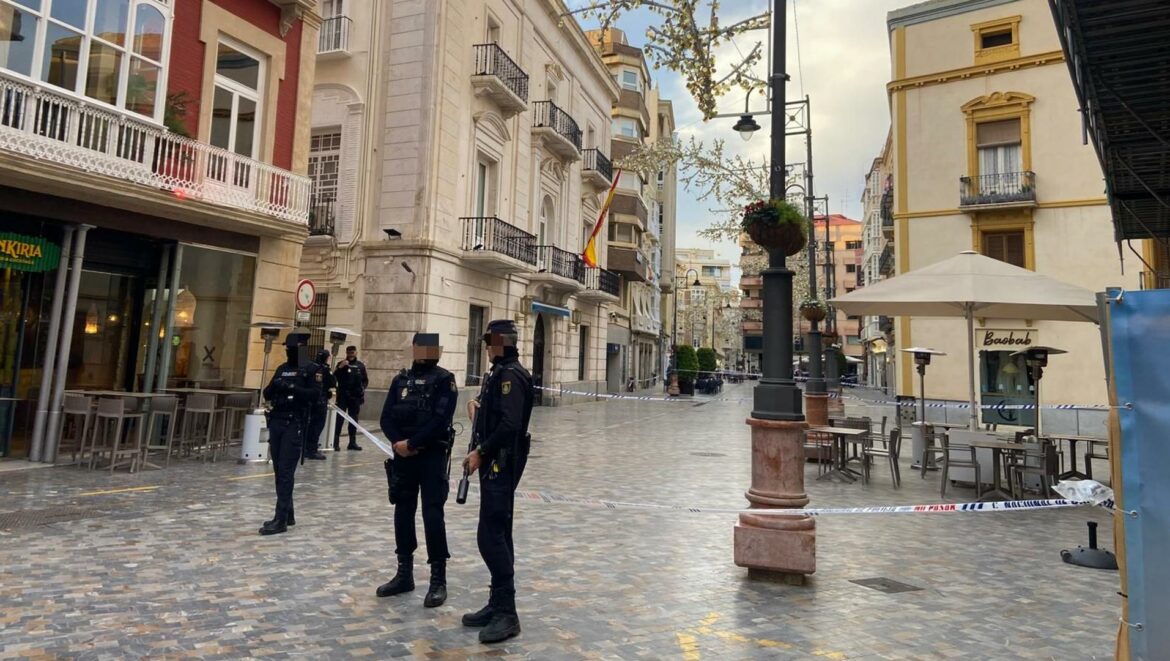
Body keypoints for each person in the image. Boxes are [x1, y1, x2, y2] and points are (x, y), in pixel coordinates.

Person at [461, 319, 534, 644]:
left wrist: (480, 451)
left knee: (491, 535)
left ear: (501, 343)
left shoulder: (511, 376)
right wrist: (478, 413)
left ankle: (508, 613)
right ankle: (497, 603)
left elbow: (509, 425)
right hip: (496, 462)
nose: (487, 347)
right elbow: (496, 419)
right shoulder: (499, 373)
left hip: (502, 463)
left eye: (490, 341)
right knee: (496, 531)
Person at [376, 333, 458, 607]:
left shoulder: (445, 380)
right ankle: (404, 573)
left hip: (431, 456)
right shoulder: (400, 380)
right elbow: (386, 416)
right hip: (403, 457)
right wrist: (399, 444)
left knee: (432, 515)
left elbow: (440, 419)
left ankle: (438, 580)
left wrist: (412, 443)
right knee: (403, 512)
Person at [259, 330, 317, 536]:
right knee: (279, 470)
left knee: (285, 470)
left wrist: (292, 388)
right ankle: (289, 512)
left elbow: (315, 396)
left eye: (293, 349)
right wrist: (276, 386)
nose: (289, 352)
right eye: (288, 349)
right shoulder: (282, 369)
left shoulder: (311, 370)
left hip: (295, 422)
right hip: (277, 421)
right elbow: (266, 392)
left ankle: (280, 518)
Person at [333, 345, 369, 451]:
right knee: (339, 420)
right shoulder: (341, 364)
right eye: (349, 353)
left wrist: (362, 388)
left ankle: (352, 443)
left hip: (355, 397)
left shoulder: (360, 366)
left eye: (352, 353)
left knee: (353, 420)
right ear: (346, 353)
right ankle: (335, 443)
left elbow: (365, 380)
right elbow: (334, 377)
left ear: (356, 353)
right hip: (343, 396)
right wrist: (340, 367)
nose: (351, 355)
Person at [302, 349, 334, 460]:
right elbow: (332, 382)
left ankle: (305, 447)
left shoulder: (310, 366)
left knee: (309, 425)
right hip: (320, 400)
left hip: (310, 400)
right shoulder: (323, 369)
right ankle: (311, 450)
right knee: (317, 426)